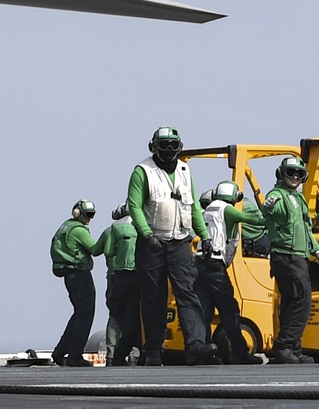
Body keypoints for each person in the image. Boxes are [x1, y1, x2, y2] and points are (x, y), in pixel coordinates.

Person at [127, 126, 217, 367]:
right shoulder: (142, 171)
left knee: (187, 292)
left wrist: (205, 236)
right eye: (163, 145)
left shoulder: (186, 170)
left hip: (180, 242)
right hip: (152, 243)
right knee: (154, 296)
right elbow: (134, 206)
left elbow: (194, 206)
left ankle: (195, 346)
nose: (168, 150)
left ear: (180, 147)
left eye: (173, 146)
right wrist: (147, 235)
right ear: (153, 147)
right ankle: (153, 351)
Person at [261, 155, 319, 365]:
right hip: (285, 255)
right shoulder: (278, 195)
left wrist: (318, 252)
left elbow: (306, 229)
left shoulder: (298, 199)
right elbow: (273, 211)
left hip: (299, 256)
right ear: (281, 174)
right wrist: (270, 206)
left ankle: (293, 348)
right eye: (290, 173)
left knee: (292, 302)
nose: (295, 177)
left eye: (299, 174)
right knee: (301, 299)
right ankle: (284, 346)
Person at [196, 182, 259, 364]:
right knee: (229, 310)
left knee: (204, 311)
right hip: (215, 265)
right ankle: (240, 352)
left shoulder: (207, 210)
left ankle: (203, 351)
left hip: (199, 264)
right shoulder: (227, 210)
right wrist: (270, 217)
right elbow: (252, 221)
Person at [50, 199, 104, 367]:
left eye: (92, 215)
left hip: (70, 275)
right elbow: (95, 250)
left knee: (79, 313)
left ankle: (60, 351)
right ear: (78, 213)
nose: (90, 218)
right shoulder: (79, 231)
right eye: (88, 214)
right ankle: (75, 355)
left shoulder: (67, 226)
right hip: (79, 275)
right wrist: (109, 235)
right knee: (86, 314)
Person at [96, 203, 141, 367]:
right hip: (137, 276)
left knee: (115, 315)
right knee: (136, 315)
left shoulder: (111, 229)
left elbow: (100, 251)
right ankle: (135, 354)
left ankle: (111, 354)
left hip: (115, 278)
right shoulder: (142, 227)